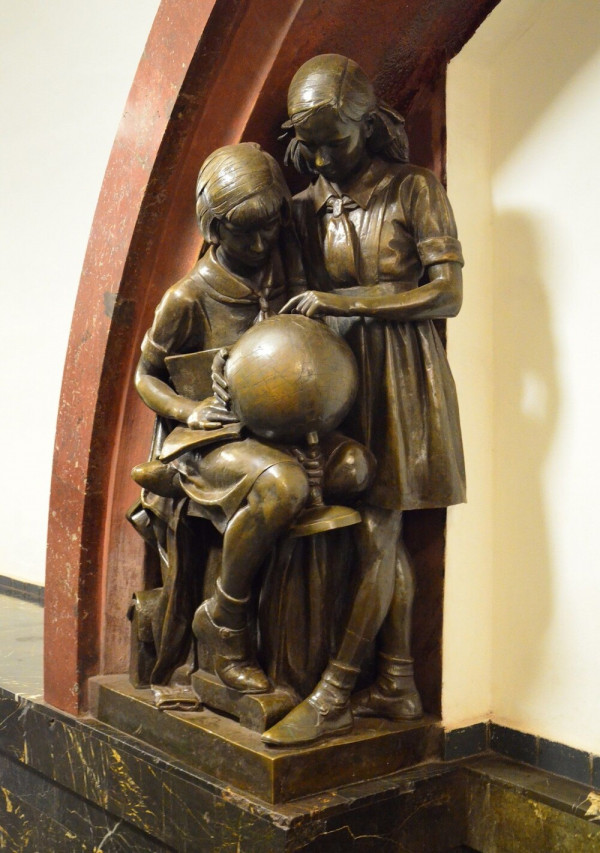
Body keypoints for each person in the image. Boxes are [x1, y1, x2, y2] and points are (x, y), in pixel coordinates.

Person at [262, 54, 465, 746]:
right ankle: (398, 683)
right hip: (330, 379)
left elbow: (448, 293)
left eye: (335, 142)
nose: (321, 159)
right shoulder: (302, 207)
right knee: (373, 533)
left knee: (379, 528)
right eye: (310, 146)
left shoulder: (413, 188)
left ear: (368, 125)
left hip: (402, 376)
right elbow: (289, 297)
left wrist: (348, 301)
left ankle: (336, 690)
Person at [132, 141, 373, 699]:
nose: (261, 243)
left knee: (356, 469)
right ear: (214, 228)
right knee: (283, 487)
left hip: (283, 428)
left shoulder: (284, 270)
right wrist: (190, 409)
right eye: (245, 233)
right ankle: (225, 621)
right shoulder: (188, 297)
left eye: (269, 228)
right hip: (214, 438)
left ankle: (310, 636)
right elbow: (145, 374)